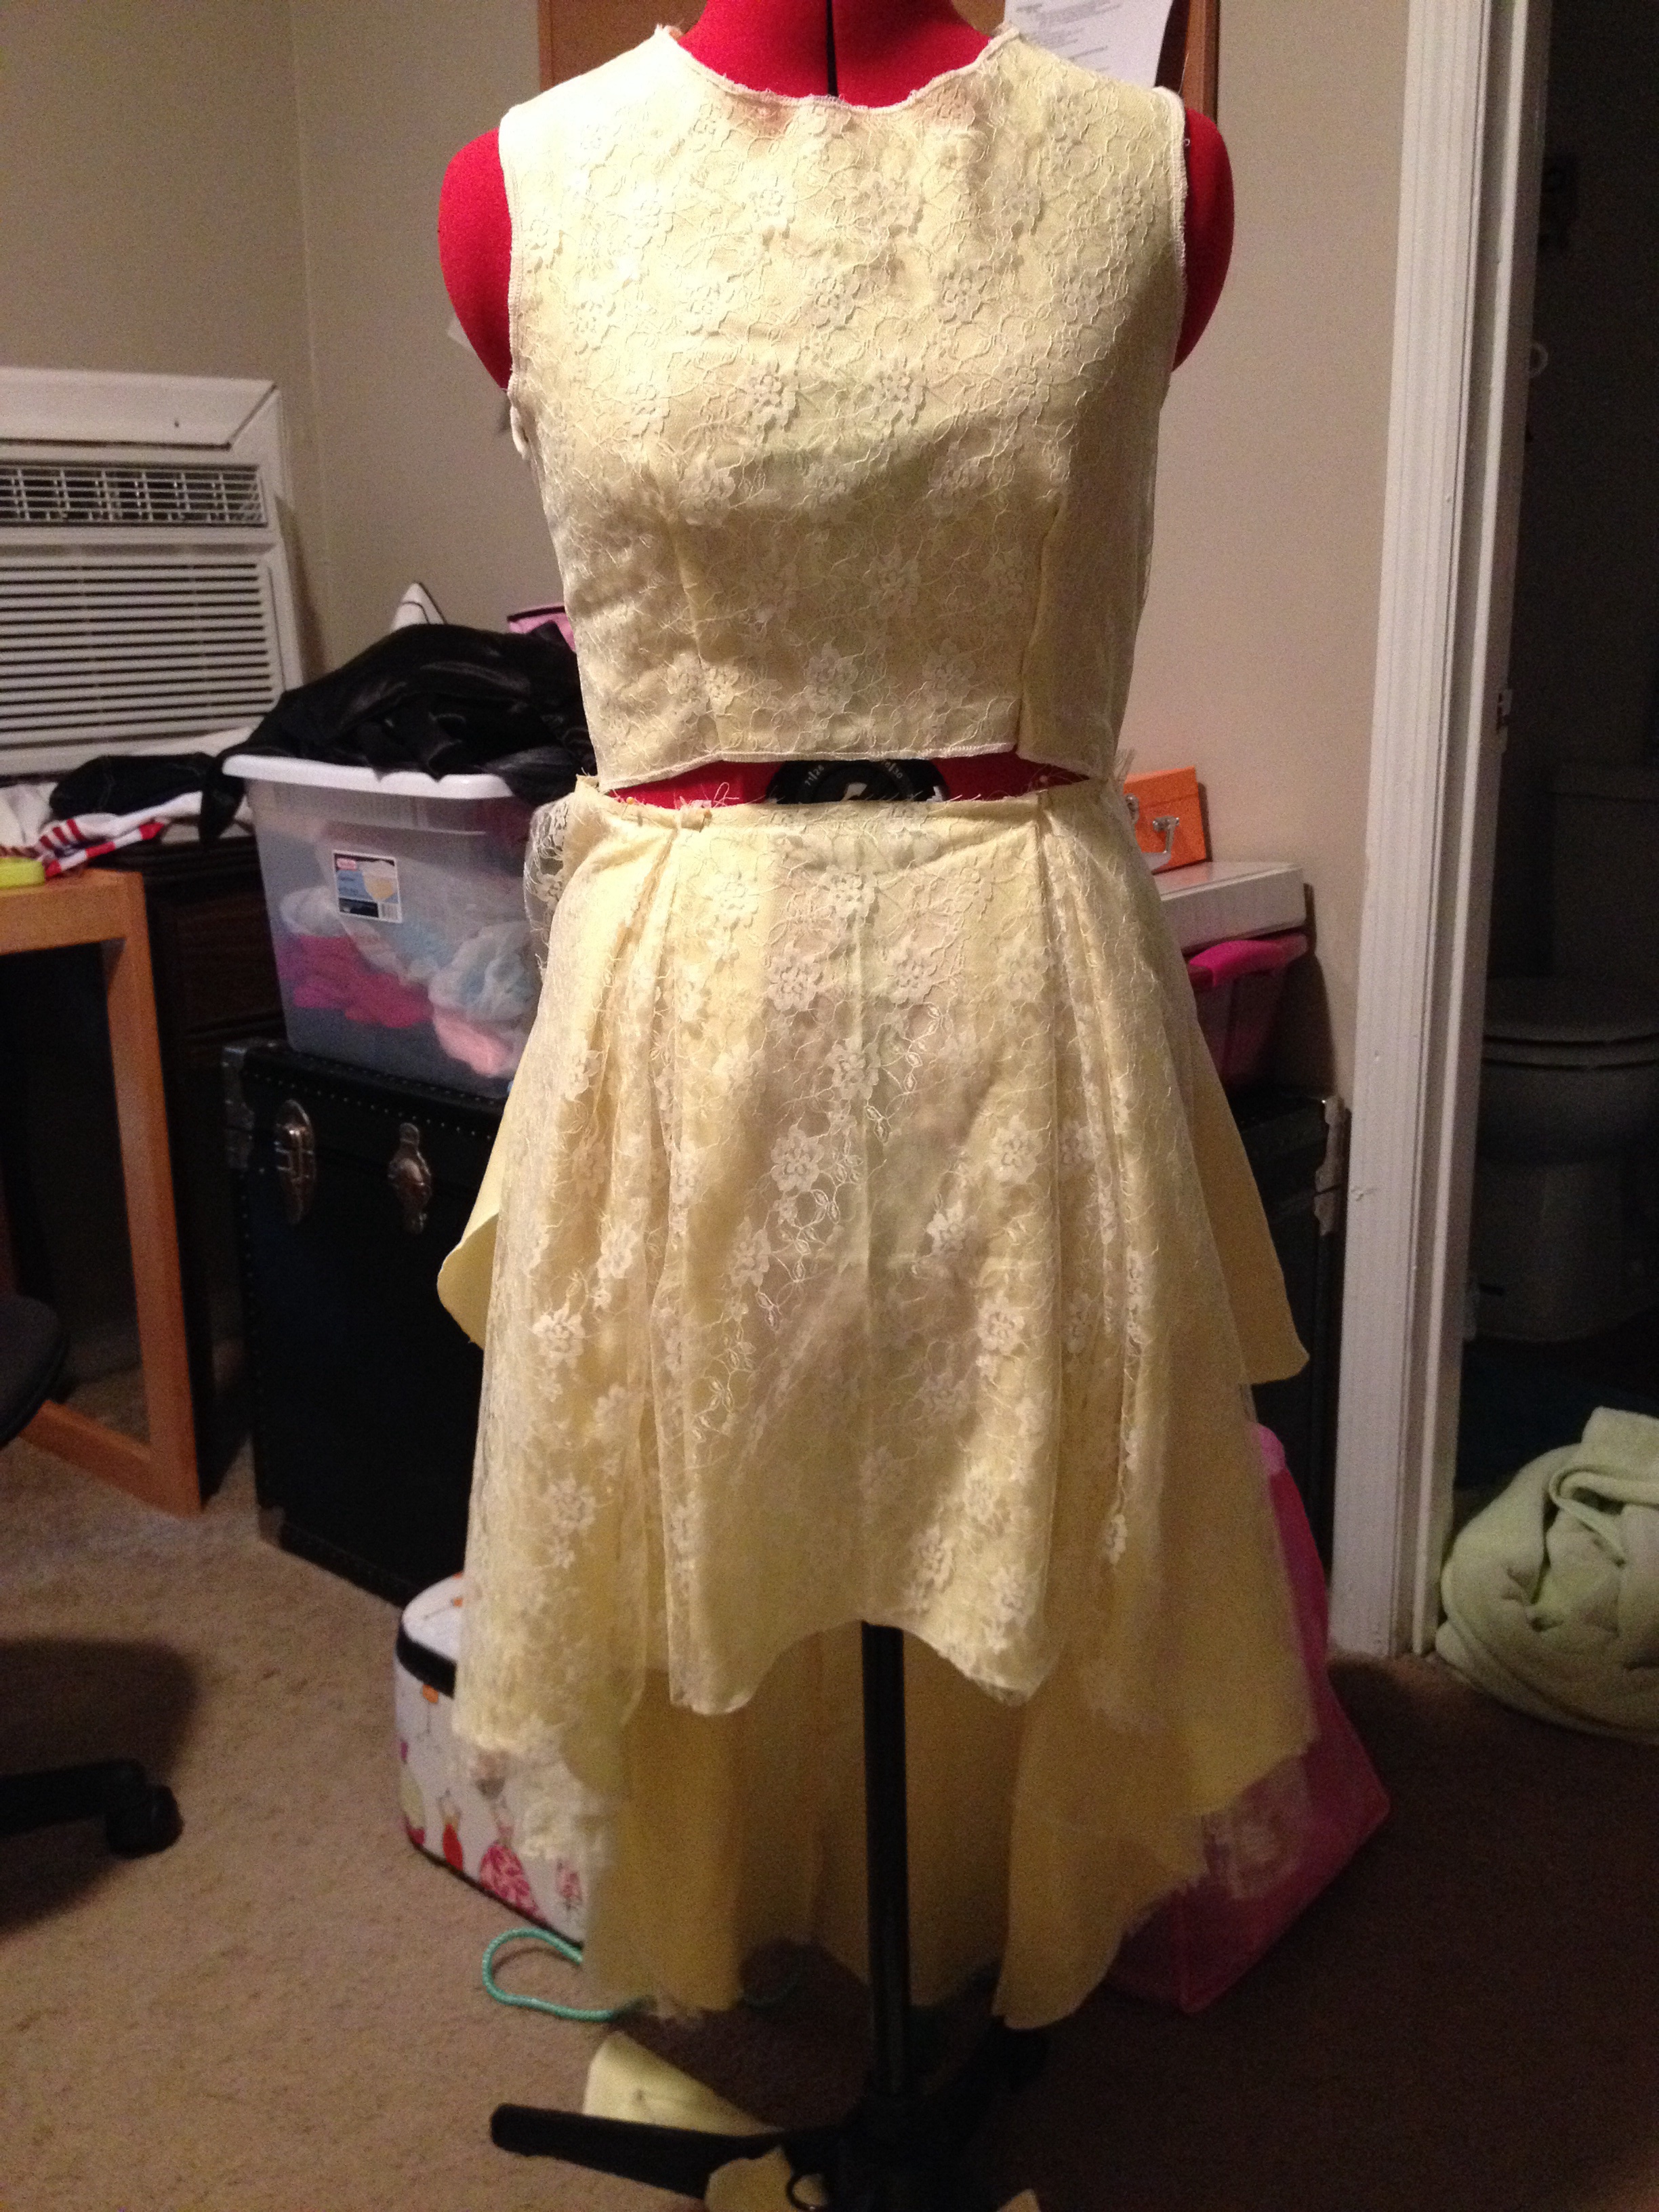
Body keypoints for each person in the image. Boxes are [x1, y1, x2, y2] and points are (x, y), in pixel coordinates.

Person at [436, 0, 1313, 2033]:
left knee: (1031, 1516)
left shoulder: (1144, 168)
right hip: (690, 998)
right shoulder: (527, 185)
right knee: (718, 1518)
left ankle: (975, 1943)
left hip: (1027, 973)